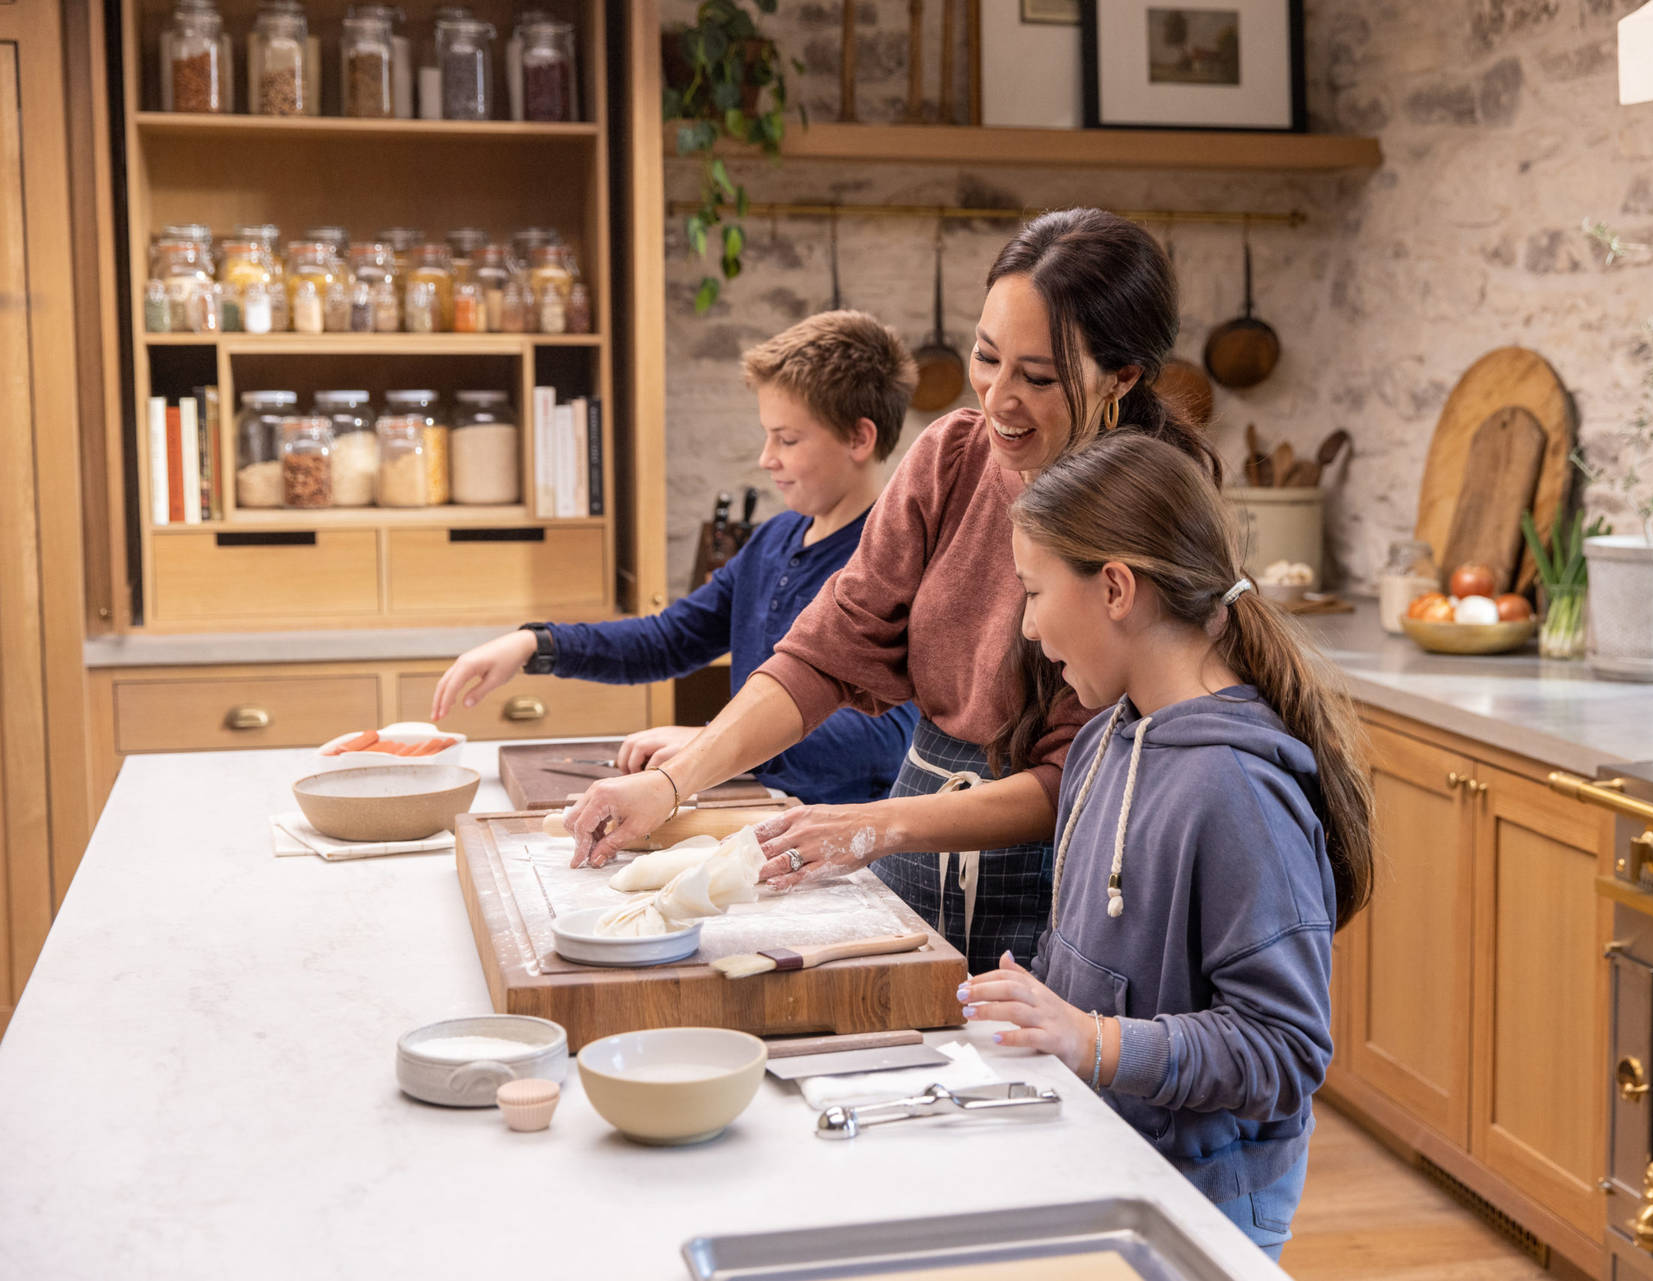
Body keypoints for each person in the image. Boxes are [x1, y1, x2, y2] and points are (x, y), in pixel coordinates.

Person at [563, 208, 1222, 974]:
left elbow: (1074, 778)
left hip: (1055, 880)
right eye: (986, 357)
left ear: (1124, 376)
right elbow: (826, 652)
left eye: (1037, 377)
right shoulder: (952, 457)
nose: (997, 398)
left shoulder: (1151, 514)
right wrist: (672, 783)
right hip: (906, 852)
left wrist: (874, 824)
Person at [958, 432, 1376, 1261]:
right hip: (1111, 1161)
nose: (1031, 628)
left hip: (1206, 1206)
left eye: (1035, 593)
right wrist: (1038, 1004)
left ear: (1116, 587)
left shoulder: (1236, 792)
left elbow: (1286, 1049)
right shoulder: (1105, 737)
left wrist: (1092, 1039)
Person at [429, 310, 920, 805]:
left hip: (843, 844)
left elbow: (880, 742)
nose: (766, 457)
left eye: (787, 439)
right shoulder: (774, 540)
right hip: (758, 815)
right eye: (767, 434)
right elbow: (669, 640)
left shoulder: (891, 562)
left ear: (860, 438)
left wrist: (711, 743)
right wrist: (536, 644)